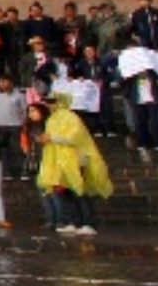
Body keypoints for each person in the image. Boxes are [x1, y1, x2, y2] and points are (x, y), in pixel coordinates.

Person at [35, 93, 111, 235]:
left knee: (79, 191)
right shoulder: (52, 119)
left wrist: (53, 137)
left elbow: (74, 137)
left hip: (75, 159)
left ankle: (88, 222)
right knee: (66, 193)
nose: (49, 105)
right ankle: (72, 221)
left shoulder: (71, 117)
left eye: (52, 102)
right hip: (59, 161)